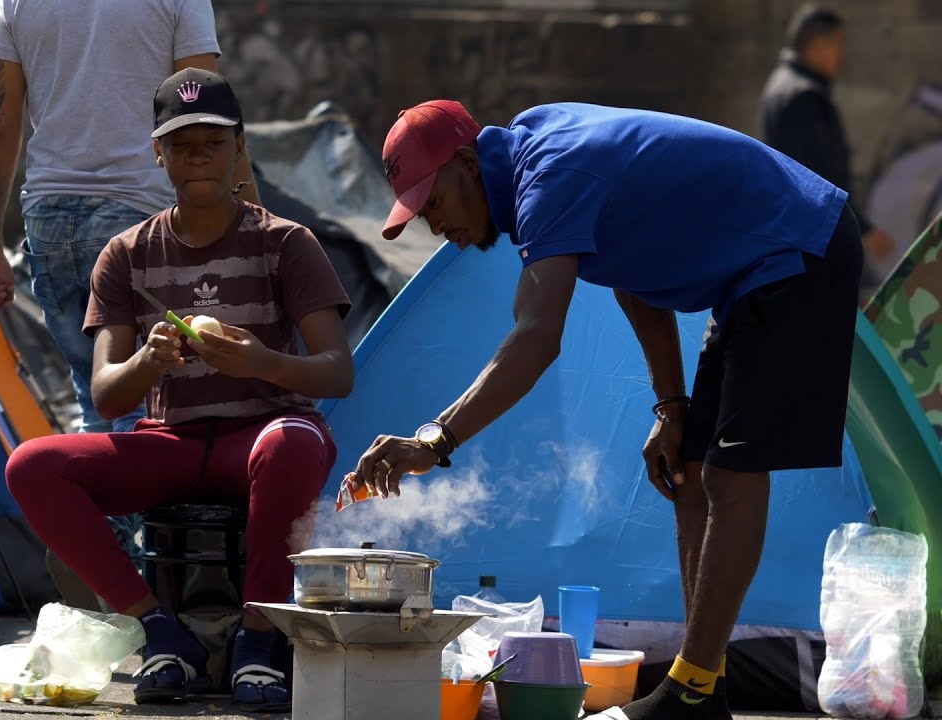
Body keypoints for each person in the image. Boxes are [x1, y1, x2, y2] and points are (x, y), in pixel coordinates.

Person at [351, 100, 862, 720]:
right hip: (752, 274)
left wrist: (434, 440)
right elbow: (631, 270)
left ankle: (689, 692)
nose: (435, 225)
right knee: (691, 472)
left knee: (731, 477)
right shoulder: (533, 161)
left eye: (434, 203)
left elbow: (537, 338)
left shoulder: (549, 175)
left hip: (798, 248)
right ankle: (708, 689)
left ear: (466, 162)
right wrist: (672, 406)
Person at [5, 68, 353, 712]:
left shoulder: (286, 243)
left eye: (213, 142)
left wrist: (262, 361)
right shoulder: (126, 254)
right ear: (158, 154)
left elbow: (337, 371)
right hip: (170, 443)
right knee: (33, 465)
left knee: (294, 443)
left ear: (240, 148)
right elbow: (108, 396)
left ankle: (258, 644)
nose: (199, 157)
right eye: (182, 144)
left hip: (260, 437)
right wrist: (147, 361)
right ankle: (159, 633)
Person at [0, 0, 261, 571]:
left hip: (49, 218)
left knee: (94, 396)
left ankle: (103, 577)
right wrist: (253, 226)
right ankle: (148, 581)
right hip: (142, 210)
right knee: (149, 403)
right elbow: (209, 111)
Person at [760, 3, 892, 298]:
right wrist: (864, 228)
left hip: (801, 238)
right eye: (837, 44)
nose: (840, 55)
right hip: (817, 240)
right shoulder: (803, 96)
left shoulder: (781, 86)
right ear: (818, 45)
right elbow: (820, 174)